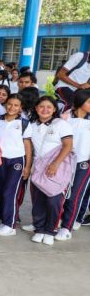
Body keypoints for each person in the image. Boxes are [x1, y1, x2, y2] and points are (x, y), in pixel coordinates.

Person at [27, 96, 74, 246]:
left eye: (49, 107)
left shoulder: (61, 124)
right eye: (41, 106)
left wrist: (55, 164)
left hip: (56, 168)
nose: (45, 109)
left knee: (54, 201)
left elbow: (68, 145)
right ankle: (39, 229)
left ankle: (50, 230)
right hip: (38, 167)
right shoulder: (32, 125)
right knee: (38, 201)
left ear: (54, 109)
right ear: (36, 108)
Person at [0, 93, 32, 237]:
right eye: (10, 104)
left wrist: (27, 167)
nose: (12, 107)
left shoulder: (24, 123)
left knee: (10, 192)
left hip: (16, 162)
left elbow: (27, 146)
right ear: (5, 104)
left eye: (16, 105)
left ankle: (11, 225)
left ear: (20, 108)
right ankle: (5, 221)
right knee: (0, 191)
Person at [56, 89, 90, 240]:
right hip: (64, 161)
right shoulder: (65, 116)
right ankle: (53, 221)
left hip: (84, 163)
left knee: (74, 195)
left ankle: (66, 227)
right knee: (58, 194)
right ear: (80, 103)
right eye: (88, 102)